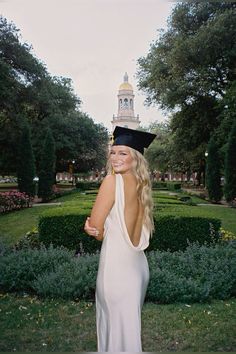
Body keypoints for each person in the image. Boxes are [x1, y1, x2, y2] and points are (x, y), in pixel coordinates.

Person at [84, 126, 156, 352]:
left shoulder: (111, 182)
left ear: (135, 158)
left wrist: (93, 229)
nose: (115, 157)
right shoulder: (142, 185)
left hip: (116, 272)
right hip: (138, 269)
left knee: (115, 336)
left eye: (123, 153)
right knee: (128, 335)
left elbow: (96, 230)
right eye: (113, 152)